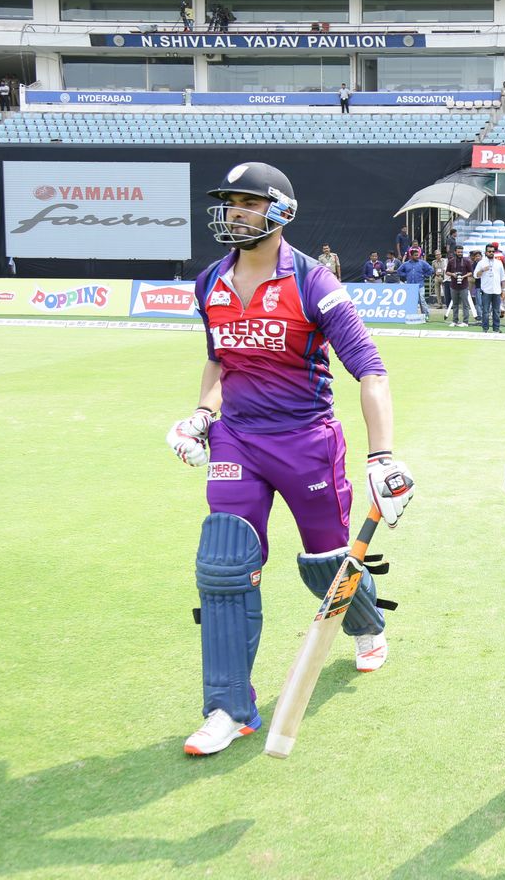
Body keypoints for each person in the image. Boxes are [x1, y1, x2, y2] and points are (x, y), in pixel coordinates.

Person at [168, 161, 414, 755]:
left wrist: (382, 458)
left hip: (307, 442)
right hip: (237, 441)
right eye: (230, 203)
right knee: (223, 562)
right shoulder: (210, 284)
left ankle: (367, 624)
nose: (234, 213)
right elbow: (219, 361)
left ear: (279, 212)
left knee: (326, 563)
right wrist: (202, 415)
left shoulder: (314, 285)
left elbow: (370, 370)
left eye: (247, 203)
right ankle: (228, 709)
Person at [474, 240, 505, 332]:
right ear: (485, 252)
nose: (491, 253)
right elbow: (475, 275)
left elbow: (503, 278)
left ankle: (496, 328)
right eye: (489, 251)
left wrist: (504, 290)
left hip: (497, 290)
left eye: (493, 251)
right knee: (485, 311)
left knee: (496, 311)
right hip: (486, 291)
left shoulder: (499, 263)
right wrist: (482, 270)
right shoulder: (481, 263)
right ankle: (485, 328)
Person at [396, 245, 434, 319]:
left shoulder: (422, 263)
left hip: (420, 285)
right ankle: (411, 315)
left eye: (418, 255)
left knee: (422, 301)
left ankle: (425, 315)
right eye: (416, 255)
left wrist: (425, 275)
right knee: (411, 301)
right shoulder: (406, 264)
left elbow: (431, 270)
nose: (417, 256)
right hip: (410, 286)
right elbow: (398, 271)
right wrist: (406, 275)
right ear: (411, 255)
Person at [446, 243, 473, 326]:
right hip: (453, 286)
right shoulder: (451, 261)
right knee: (455, 304)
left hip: (464, 286)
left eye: (461, 252)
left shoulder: (467, 261)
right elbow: (447, 272)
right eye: (458, 252)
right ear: (455, 252)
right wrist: (453, 274)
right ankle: (455, 321)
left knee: (465, 304)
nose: (460, 254)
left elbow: (471, 272)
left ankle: (465, 322)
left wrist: (464, 276)